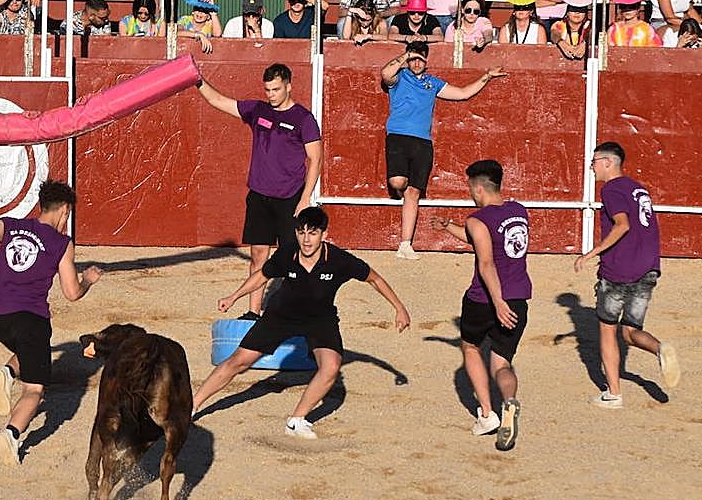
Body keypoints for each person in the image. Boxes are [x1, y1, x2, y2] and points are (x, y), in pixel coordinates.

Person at [191, 206, 411, 440]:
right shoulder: (287, 254)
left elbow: (374, 279)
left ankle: (296, 420)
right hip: (281, 316)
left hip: (320, 319)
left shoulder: (339, 260)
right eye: (301, 233)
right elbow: (262, 276)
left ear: (324, 234)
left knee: (331, 367)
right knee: (239, 361)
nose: (306, 240)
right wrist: (233, 296)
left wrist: (399, 308)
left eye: (313, 233)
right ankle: (191, 406)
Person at [0, 180, 102, 466]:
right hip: (31, 319)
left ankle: (7, 371)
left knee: (27, 349)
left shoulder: (12, 225)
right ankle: (12, 434)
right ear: (64, 211)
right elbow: (72, 293)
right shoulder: (62, 244)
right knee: (35, 390)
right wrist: (88, 280)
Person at [197, 63, 322, 319]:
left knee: (292, 257)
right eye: (268, 90)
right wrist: (196, 80)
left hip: (290, 197)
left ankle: (295, 310)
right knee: (258, 255)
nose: (271, 95)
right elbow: (217, 100)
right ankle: (254, 312)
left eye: (276, 89)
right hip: (259, 196)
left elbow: (316, 159)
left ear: (289, 86)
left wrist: (305, 198)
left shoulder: (303, 119)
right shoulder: (258, 110)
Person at [430, 159, 528, 451]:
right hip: (518, 298)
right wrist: (449, 227)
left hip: (484, 299)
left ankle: (487, 414)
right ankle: (509, 401)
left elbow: (486, 263)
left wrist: (497, 302)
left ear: (479, 188)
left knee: (471, 347)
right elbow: (481, 239)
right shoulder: (518, 212)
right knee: (502, 363)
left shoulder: (478, 219)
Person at [573, 141, 680, 407]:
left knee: (608, 330)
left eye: (594, 162)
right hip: (648, 268)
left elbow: (622, 225)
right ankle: (660, 348)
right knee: (630, 332)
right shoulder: (638, 188)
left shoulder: (611, 189)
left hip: (619, 269)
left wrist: (592, 253)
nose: (591, 167)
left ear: (608, 162)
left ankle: (613, 394)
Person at [380, 41, 506, 259]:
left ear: (426, 61)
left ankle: (405, 244)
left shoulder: (433, 82)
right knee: (398, 182)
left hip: (423, 141)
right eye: (413, 59)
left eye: (420, 59)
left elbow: (463, 93)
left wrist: (487, 76)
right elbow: (385, 73)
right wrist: (406, 55)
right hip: (398, 136)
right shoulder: (400, 78)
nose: (416, 63)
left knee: (414, 192)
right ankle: (403, 197)